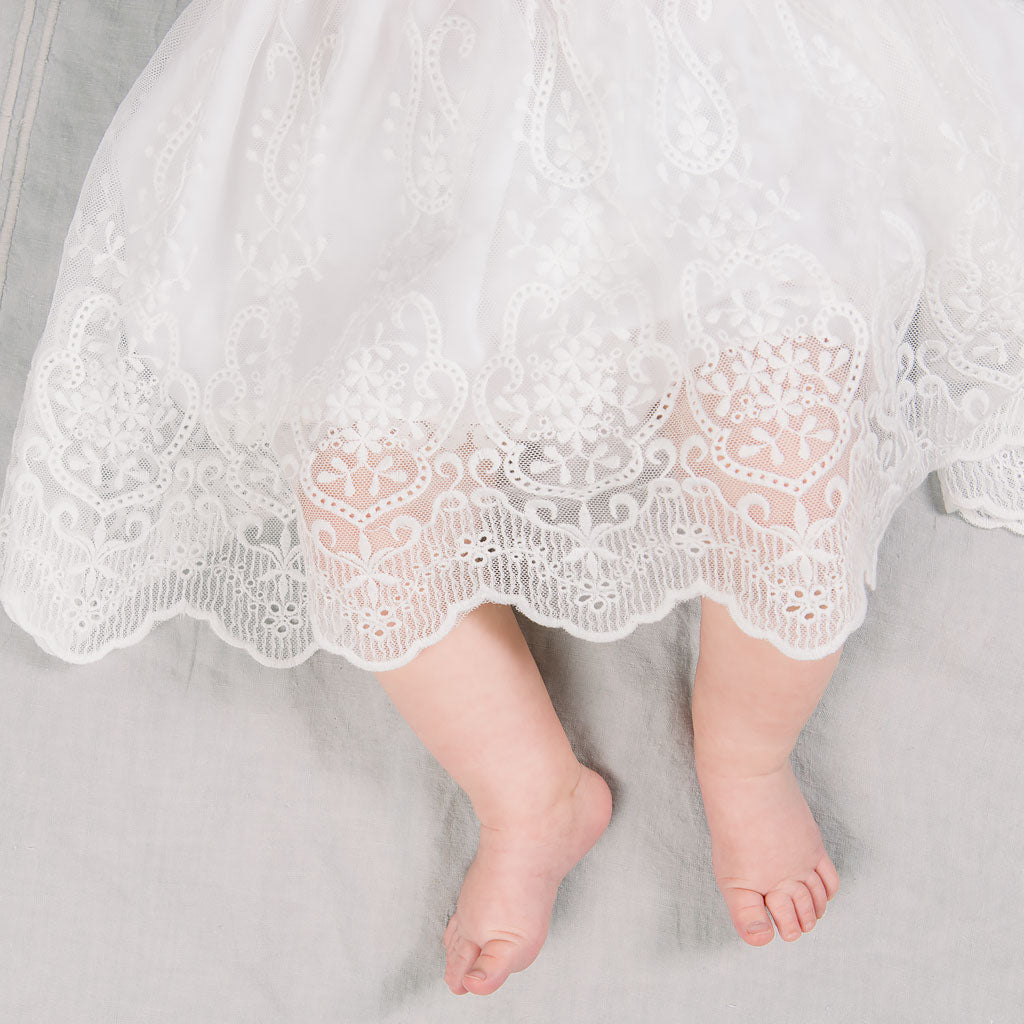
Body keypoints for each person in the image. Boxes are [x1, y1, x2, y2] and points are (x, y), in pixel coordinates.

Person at [0, 0, 1021, 998]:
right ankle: (528, 793)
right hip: (419, 143)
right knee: (358, 505)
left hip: (696, 107)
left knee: (787, 455)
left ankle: (747, 753)